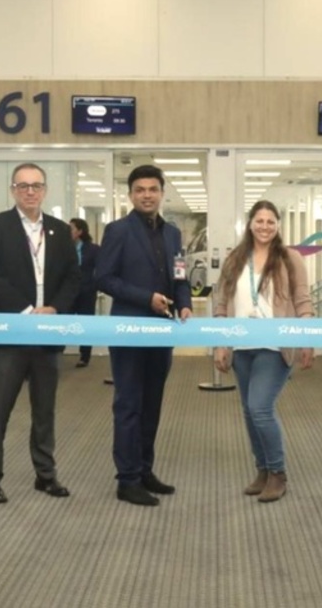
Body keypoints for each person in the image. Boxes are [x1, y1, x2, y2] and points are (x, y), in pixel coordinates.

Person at [0, 163, 80, 504]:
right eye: (23, 186)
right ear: (13, 190)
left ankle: (45, 475)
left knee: (44, 409)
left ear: (45, 190)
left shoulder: (60, 231)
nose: (30, 191)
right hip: (10, 330)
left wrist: (53, 309)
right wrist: (25, 311)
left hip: (47, 332)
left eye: (36, 186)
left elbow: (72, 278)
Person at [95, 164, 192, 507]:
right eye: (140, 190)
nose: (147, 195)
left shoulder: (173, 233)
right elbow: (104, 278)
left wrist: (184, 304)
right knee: (128, 404)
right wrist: (145, 298)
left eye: (153, 189)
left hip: (162, 330)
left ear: (162, 193)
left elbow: (179, 276)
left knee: (152, 404)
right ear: (131, 195)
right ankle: (127, 479)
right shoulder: (117, 231)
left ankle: (145, 470)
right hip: (128, 328)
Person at [212, 201, 315, 503]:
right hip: (241, 345)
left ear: (278, 225)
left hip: (275, 344)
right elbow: (221, 302)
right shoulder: (235, 258)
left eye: (271, 221)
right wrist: (221, 343)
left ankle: (278, 473)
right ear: (250, 224)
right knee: (248, 411)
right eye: (260, 220)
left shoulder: (290, 258)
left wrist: (307, 340)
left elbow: (303, 300)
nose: (265, 226)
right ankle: (262, 470)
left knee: (260, 407)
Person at [69, 218, 100, 368]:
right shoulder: (64, 248)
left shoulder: (93, 249)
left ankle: (84, 356)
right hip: (68, 292)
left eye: (71, 229)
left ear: (80, 231)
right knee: (62, 321)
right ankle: (55, 351)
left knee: (86, 323)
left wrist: (95, 284)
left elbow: (101, 268)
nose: (68, 232)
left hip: (87, 291)